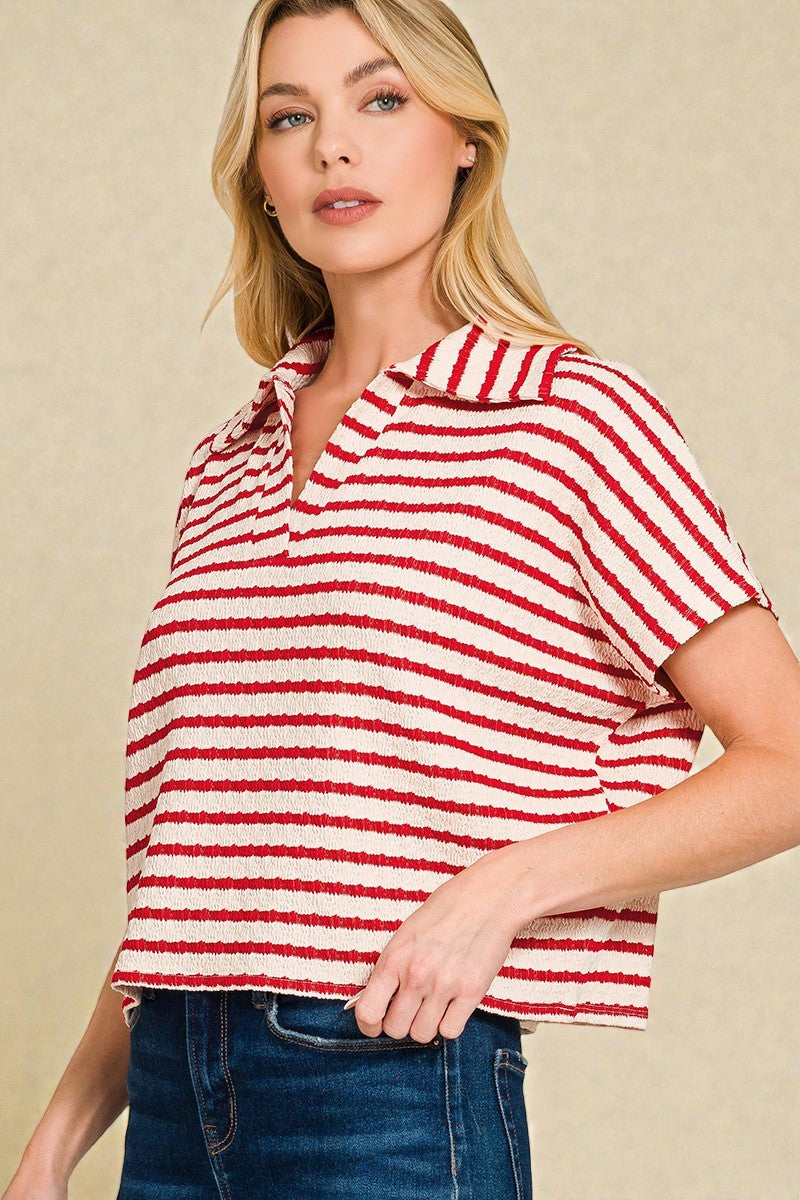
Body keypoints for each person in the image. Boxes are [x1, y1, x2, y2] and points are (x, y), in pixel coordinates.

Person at [6, 1, 800, 1198]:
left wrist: (503, 890)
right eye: (291, 116)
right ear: (260, 175)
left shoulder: (568, 419)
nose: (335, 146)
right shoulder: (226, 460)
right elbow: (197, 860)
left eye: (381, 100)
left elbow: (783, 757)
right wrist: (58, 1137)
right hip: (169, 1097)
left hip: (384, 1083)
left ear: (463, 137)